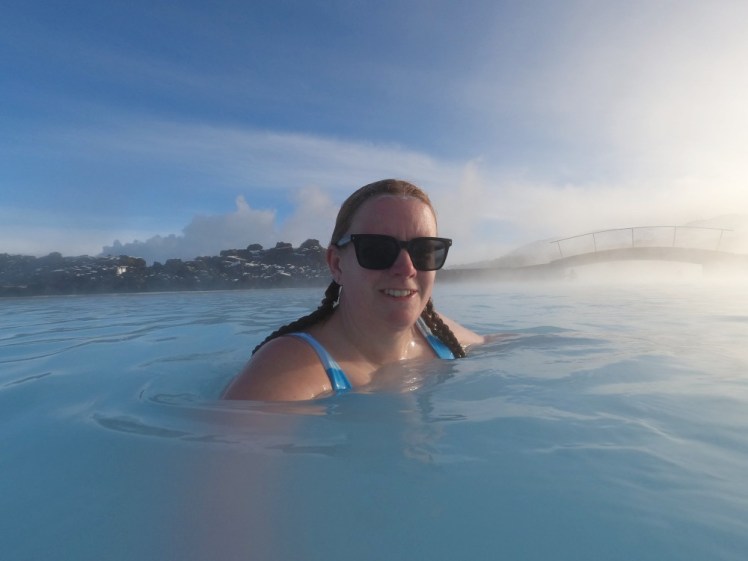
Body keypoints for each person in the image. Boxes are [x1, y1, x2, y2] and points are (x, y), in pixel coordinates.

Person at [222, 179, 484, 401]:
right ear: (337, 264)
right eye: (377, 250)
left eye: (425, 250)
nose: (406, 269)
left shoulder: (434, 333)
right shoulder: (283, 372)